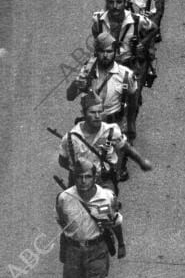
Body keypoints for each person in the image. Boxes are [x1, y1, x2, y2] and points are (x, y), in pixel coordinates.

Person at [58, 93, 152, 222]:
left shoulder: (111, 131)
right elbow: (62, 161)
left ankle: (109, 229)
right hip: (80, 181)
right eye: (92, 112)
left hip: (103, 179)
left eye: (99, 112)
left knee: (108, 210)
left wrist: (141, 161)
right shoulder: (70, 138)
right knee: (75, 214)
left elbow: (125, 147)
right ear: (83, 113)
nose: (97, 116)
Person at [67, 32, 139, 159]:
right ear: (96, 52)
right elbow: (70, 96)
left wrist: (131, 124)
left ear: (115, 52)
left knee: (116, 163)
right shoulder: (87, 72)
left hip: (114, 122)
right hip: (91, 123)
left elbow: (133, 102)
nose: (105, 55)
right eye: (101, 51)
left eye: (109, 51)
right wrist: (77, 83)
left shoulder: (125, 75)